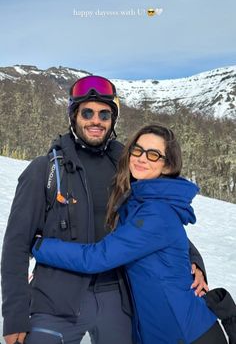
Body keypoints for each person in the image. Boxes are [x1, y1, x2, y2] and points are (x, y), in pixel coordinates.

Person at [1, 76, 207, 344]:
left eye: (104, 114)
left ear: (113, 120)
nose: (95, 120)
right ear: (74, 116)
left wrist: (193, 259)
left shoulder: (126, 169)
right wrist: (15, 313)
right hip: (55, 297)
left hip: (116, 297)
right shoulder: (45, 170)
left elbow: (155, 219)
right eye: (87, 112)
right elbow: (16, 243)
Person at [32, 124, 228, 344]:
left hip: (187, 334)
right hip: (164, 331)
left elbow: (98, 257)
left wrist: (41, 247)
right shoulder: (143, 201)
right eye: (138, 150)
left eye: (153, 155)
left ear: (167, 165)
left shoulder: (155, 212)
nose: (142, 158)